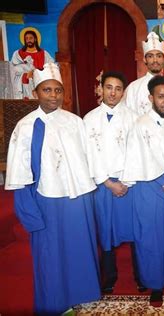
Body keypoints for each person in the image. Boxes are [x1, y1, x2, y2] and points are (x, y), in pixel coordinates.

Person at [5, 63, 100, 314]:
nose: (53, 95)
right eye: (47, 90)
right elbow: (20, 173)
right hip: (47, 198)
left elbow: (88, 159)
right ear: (37, 92)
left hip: (77, 198)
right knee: (51, 255)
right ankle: (55, 303)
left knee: (79, 248)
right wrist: (29, 210)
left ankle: (81, 293)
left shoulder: (75, 121)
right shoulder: (26, 126)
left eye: (58, 90)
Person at [120, 75, 164, 307]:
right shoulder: (141, 125)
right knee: (150, 237)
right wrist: (163, 179)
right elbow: (138, 159)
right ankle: (154, 284)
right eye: (161, 97)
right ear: (151, 98)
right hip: (149, 187)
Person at [83, 71, 145, 294]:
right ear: (101, 88)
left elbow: (137, 152)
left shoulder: (133, 117)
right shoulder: (89, 119)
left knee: (135, 231)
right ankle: (109, 275)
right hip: (102, 185)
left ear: (123, 92)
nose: (113, 93)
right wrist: (108, 182)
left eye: (118, 89)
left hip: (128, 184)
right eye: (109, 87)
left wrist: (125, 182)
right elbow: (88, 154)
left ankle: (141, 275)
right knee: (105, 231)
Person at [123, 32, 164, 123]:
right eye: (150, 56)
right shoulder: (133, 89)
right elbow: (127, 120)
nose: (155, 60)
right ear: (145, 60)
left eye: (159, 56)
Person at [10, 29, 54, 99]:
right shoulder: (17, 54)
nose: (28, 40)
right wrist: (25, 75)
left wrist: (37, 73)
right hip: (25, 86)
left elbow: (51, 68)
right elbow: (12, 71)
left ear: (35, 39)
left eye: (30, 38)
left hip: (41, 84)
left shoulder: (44, 54)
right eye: (26, 38)